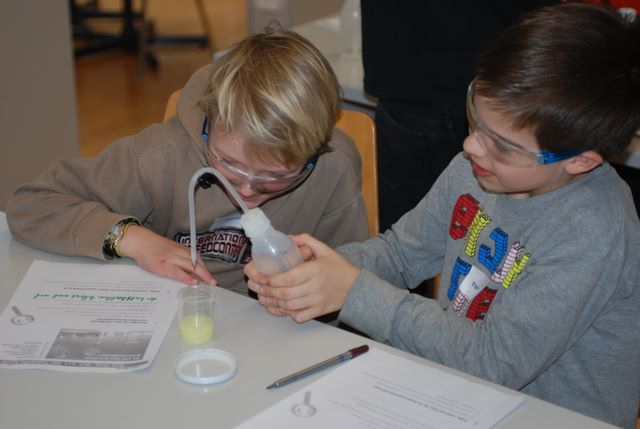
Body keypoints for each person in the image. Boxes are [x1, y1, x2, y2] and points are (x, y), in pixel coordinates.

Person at [245, 4, 640, 428]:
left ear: (580, 161)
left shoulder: (593, 229)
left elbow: (494, 361)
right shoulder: (478, 170)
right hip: (462, 394)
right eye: (475, 116)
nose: (472, 146)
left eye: (502, 146)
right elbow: (400, 254)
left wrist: (353, 290)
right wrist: (319, 272)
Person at [5, 27, 369, 296]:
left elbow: (350, 284)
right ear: (210, 122)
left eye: (274, 176)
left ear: (313, 154)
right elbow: (31, 205)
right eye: (229, 164)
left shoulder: (332, 170)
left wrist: (315, 292)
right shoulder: (161, 155)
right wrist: (134, 239)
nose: (246, 190)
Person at [361, 0, 560, 232]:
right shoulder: (460, 169)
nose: (469, 145)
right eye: (474, 128)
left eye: (502, 146)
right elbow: (401, 246)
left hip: (487, 75)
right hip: (448, 69)